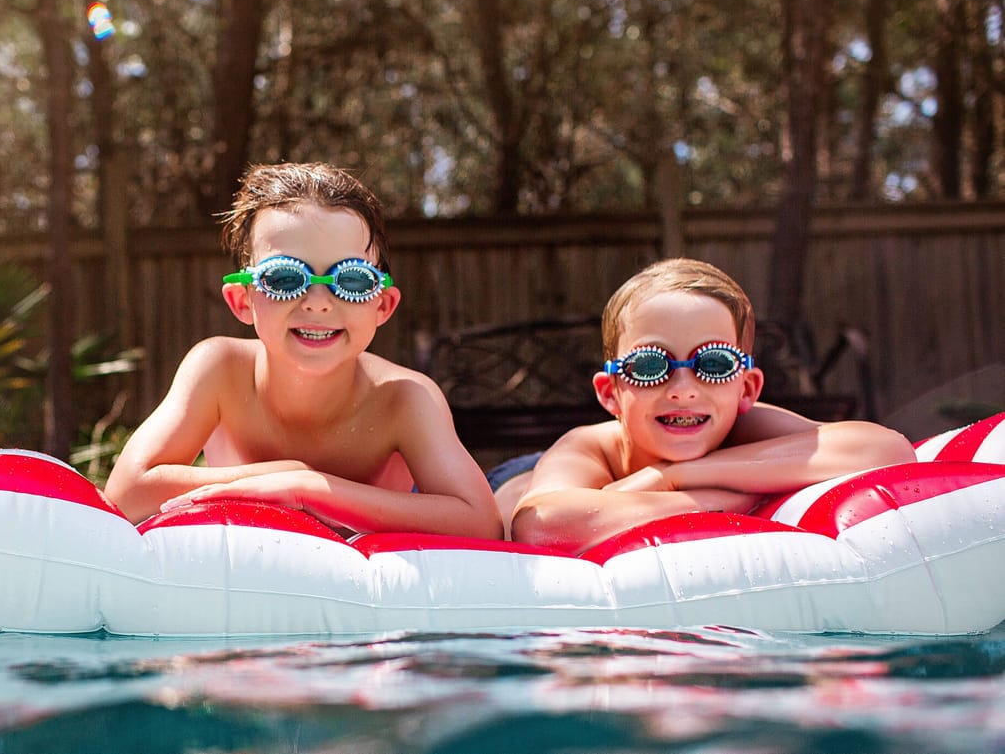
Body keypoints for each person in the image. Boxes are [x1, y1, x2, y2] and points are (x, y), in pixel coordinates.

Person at [104, 162, 503, 540]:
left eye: (351, 279)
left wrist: (311, 490)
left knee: (527, 498)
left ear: (382, 306)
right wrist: (285, 471)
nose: (317, 302)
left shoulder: (404, 397)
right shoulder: (220, 370)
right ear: (243, 300)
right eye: (284, 277)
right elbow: (126, 493)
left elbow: (483, 522)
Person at [499, 258, 916, 553]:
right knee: (504, 503)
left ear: (747, 389)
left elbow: (889, 450)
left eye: (713, 363)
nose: (683, 389)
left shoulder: (743, 425)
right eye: (650, 365)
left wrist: (675, 475)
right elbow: (539, 525)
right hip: (528, 475)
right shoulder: (588, 446)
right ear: (610, 392)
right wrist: (728, 496)